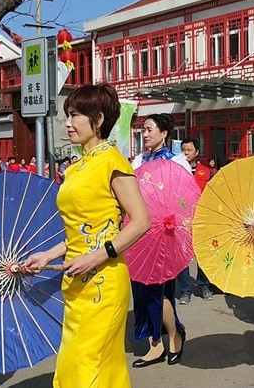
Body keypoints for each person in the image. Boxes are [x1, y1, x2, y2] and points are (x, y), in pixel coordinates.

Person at [22, 84, 150, 388]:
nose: (68, 122)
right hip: (75, 279)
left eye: (75, 115)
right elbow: (84, 227)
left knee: (88, 365)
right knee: (76, 365)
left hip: (104, 281)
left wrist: (95, 256)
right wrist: (48, 255)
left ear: (99, 119)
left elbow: (141, 221)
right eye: (68, 115)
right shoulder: (76, 167)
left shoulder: (112, 161)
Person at [130, 113, 190, 367]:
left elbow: (187, 200)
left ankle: (170, 335)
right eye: (143, 130)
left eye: (150, 130)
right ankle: (156, 342)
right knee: (141, 291)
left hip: (166, 236)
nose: (145, 134)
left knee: (156, 290)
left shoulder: (177, 162)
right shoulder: (138, 161)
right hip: (139, 234)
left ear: (164, 134)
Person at [175, 138, 216, 304]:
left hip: (202, 219)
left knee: (204, 254)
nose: (186, 153)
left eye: (189, 150)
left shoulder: (207, 173)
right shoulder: (176, 171)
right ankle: (185, 290)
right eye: (183, 150)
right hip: (182, 220)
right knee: (182, 256)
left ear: (197, 153)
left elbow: (216, 193)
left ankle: (203, 284)